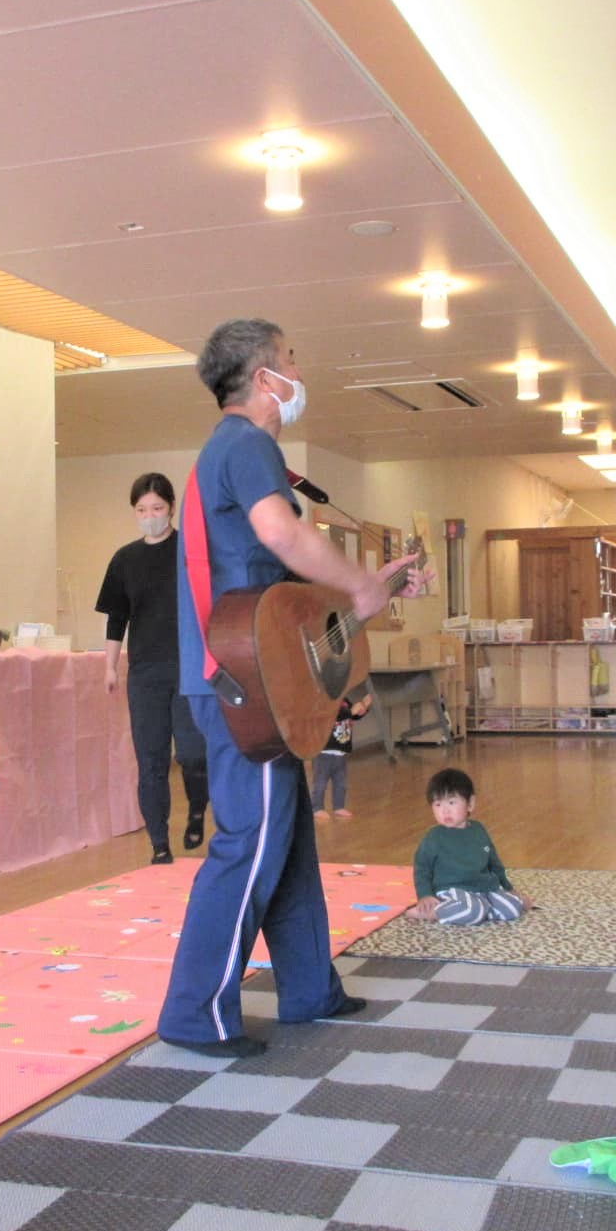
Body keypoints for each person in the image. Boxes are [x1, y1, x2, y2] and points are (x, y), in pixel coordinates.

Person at [159, 318, 420, 1058]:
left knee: (288, 836)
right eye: (292, 361)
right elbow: (282, 534)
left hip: (254, 676)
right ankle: (194, 1014)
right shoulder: (247, 445)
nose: (300, 374)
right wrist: (362, 586)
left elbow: (278, 590)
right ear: (264, 377)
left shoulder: (229, 451)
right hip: (242, 686)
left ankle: (309, 989)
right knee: (250, 841)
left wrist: (368, 587)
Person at [97, 472, 208, 865]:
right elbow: (117, 618)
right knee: (151, 760)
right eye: (142, 510)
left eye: (157, 508)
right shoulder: (124, 560)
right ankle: (159, 844)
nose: (149, 516)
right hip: (145, 673)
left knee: (193, 753)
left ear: (171, 508)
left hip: (189, 668)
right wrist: (111, 666)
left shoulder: (189, 551)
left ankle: (197, 808)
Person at [412, 767, 525, 925]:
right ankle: (432, 913)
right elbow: (422, 869)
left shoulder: (479, 830)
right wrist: (425, 895)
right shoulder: (434, 837)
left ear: (470, 803)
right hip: (452, 891)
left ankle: (481, 910)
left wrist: (508, 888)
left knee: (512, 908)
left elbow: (494, 864)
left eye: (451, 802)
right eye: (438, 804)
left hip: (484, 889)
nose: (445, 810)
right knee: (472, 911)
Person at [311, 689, 373, 821]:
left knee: (341, 782)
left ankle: (339, 806)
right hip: (324, 752)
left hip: (340, 752)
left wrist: (363, 708)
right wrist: (351, 712)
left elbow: (353, 715)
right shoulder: (323, 700)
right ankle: (317, 808)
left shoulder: (344, 701)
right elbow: (332, 715)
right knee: (320, 782)